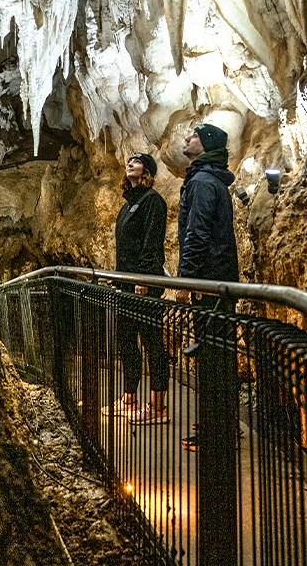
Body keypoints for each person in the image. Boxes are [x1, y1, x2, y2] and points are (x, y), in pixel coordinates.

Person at [175, 123, 238, 454]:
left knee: (213, 359)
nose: (187, 139)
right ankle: (221, 424)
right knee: (219, 356)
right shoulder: (210, 180)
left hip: (209, 283)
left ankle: (217, 432)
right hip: (219, 280)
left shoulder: (201, 182)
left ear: (207, 144)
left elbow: (196, 233)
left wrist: (187, 279)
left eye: (194, 136)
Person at [102, 152, 170, 425]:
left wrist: (143, 278)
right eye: (129, 160)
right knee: (127, 341)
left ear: (148, 172)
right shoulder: (128, 205)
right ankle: (130, 399)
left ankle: (158, 407)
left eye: (137, 161)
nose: (130, 162)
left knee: (152, 342)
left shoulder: (153, 202)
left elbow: (152, 243)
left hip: (143, 285)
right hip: (126, 283)